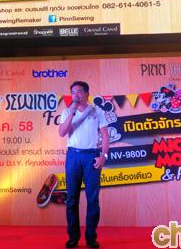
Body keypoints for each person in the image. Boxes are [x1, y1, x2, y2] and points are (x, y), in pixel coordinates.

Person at [58, 81, 109, 249]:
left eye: (79, 91)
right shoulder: (67, 112)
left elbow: (105, 135)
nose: (76, 95)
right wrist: (72, 111)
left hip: (91, 156)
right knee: (72, 199)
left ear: (87, 93)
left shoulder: (97, 111)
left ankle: (91, 238)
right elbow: (62, 132)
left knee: (92, 199)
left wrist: (103, 156)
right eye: (73, 92)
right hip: (73, 156)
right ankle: (73, 237)